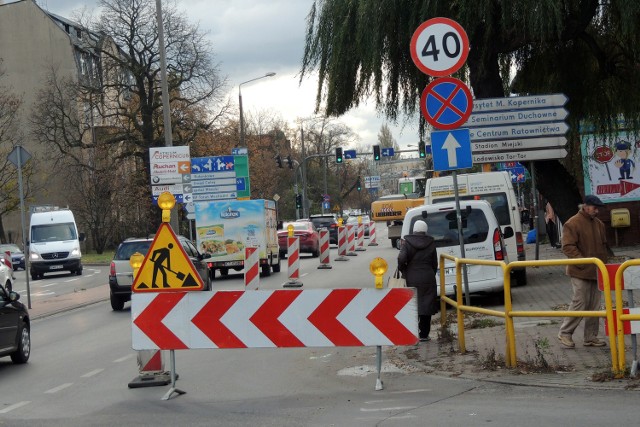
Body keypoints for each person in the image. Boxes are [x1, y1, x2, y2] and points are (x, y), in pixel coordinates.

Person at [558, 195, 609, 348]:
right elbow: (567, 246)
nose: (597, 211)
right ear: (585, 206)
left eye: (598, 208)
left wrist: (603, 266)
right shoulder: (572, 223)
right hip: (580, 270)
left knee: (594, 305)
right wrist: (582, 262)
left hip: (596, 270)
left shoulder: (599, 224)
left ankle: (590, 337)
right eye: (595, 208)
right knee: (580, 302)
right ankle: (565, 333)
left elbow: (603, 247)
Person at [398, 220, 438, 342]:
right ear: (425, 230)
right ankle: (424, 334)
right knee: (426, 304)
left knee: (413, 305)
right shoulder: (431, 243)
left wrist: (403, 269)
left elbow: (401, 258)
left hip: (412, 277)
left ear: (414, 230)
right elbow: (434, 263)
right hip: (428, 277)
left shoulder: (407, 243)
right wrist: (430, 272)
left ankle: (413, 333)